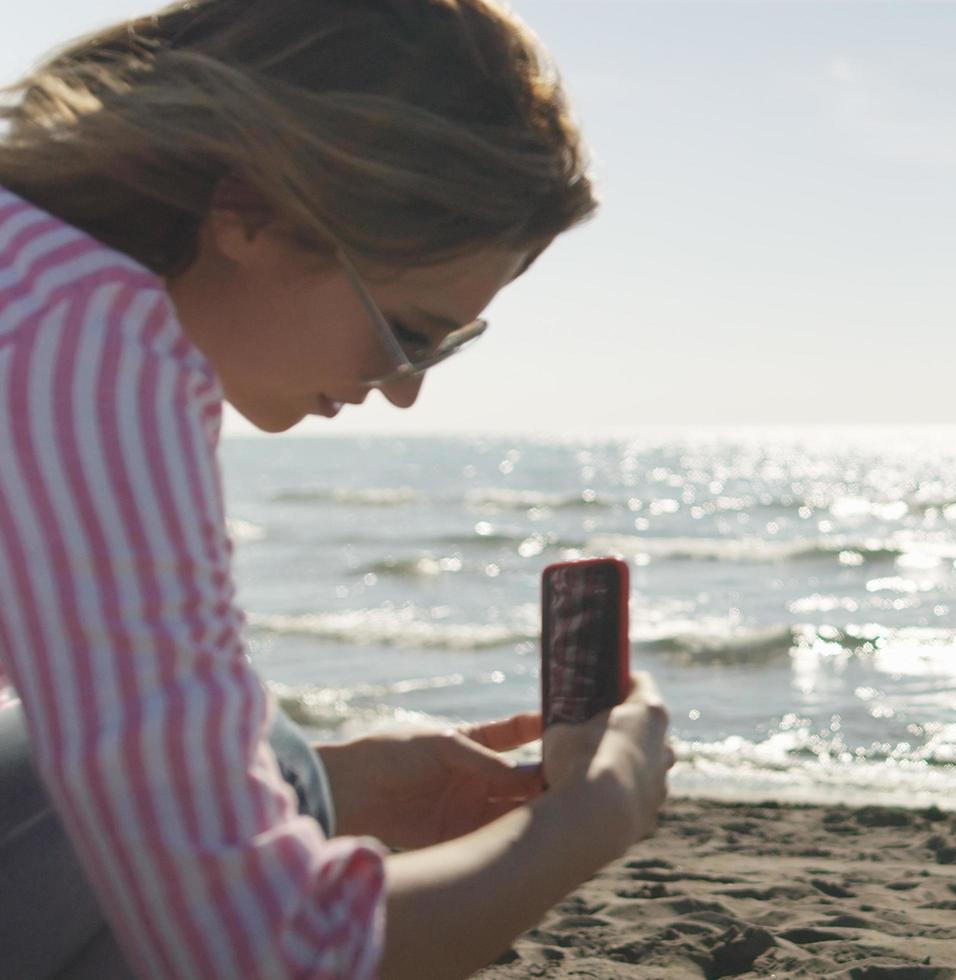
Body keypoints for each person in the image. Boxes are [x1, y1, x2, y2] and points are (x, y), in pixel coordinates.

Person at [0, 1, 674, 977]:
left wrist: (321, 781)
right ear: (251, 213)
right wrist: (593, 815)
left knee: (278, 756)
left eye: (450, 345)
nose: (404, 388)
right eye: (409, 329)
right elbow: (271, 950)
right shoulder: (88, 338)